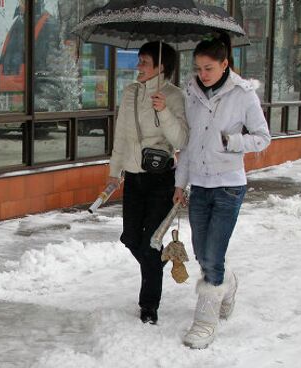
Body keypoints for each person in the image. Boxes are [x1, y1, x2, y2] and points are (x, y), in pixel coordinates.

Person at [173, 33, 271, 349]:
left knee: (212, 255)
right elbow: (186, 145)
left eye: (208, 68)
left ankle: (204, 322)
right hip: (199, 185)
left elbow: (263, 137)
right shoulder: (191, 94)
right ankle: (227, 284)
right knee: (202, 252)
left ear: (224, 64)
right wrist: (179, 183)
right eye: (198, 68)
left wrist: (231, 141)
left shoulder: (243, 95)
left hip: (229, 185)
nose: (202, 74)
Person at [108, 41, 189, 325]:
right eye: (139, 61)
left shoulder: (175, 96)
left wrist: (164, 111)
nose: (138, 67)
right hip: (132, 177)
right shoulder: (130, 92)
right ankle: (158, 261)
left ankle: (149, 305)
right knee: (131, 238)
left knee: (150, 242)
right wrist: (113, 172)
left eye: (144, 62)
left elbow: (181, 140)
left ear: (161, 66)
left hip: (160, 180)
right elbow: (120, 136)